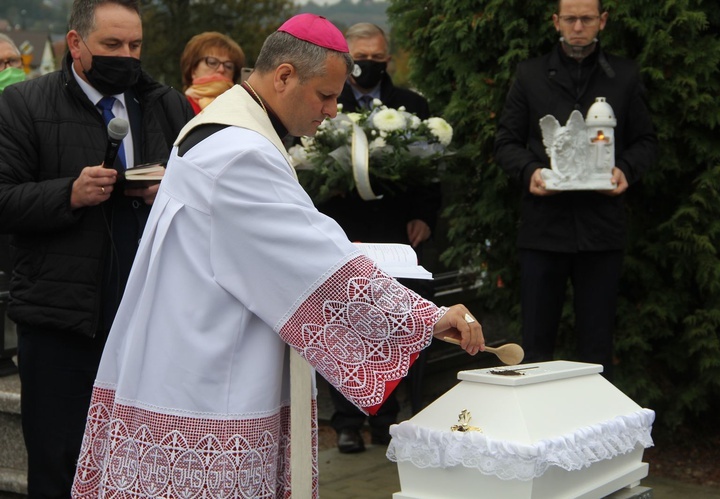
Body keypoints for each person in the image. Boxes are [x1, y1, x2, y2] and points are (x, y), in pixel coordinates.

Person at [70, 13, 484, 497]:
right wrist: (424, 320)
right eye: (325, 96)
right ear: (284, 75)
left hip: (182, 351)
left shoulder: (221, 124)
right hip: (210, 379)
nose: (333, 110)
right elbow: (309, 258)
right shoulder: (241, 153)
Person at [0, 0, 194, 494]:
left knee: (139, 462)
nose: (126, 57)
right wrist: (69, 192)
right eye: (112, 45)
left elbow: (204, 195)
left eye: (135, 46)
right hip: (62, 320)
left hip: (149, 316)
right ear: (75, 44)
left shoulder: (165, 104)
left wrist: (174, 189)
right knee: (60, 461)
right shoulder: (23, 105)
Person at [494, 0, 657, 380]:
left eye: (587, 19)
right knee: (535, 344)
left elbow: (646, 140)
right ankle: (535, 434)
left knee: (597, 345)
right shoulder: (530, 74)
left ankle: (595, 435)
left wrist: (625, 170)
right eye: (571, 18)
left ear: (602, 21)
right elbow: (506, 141)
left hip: (602, 229)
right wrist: (531, 171)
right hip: (543, 230)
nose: (579, 26)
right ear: (556, 22)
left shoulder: (625, 75)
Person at [317, 21, 442, 454]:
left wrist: (425, 217)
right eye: (360, 57)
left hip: (397, 234)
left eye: (376, 57)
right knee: (344, 328)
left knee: (395, 324)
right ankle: (347, 421)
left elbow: (431, 171)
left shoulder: (412, 105)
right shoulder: (328, 103)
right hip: (342, 231)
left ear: (387, 59)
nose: (367, 64)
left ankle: (387, 418)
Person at [180, 31, 246, 114]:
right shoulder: (177, 109)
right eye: (212, 62)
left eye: (229, 66)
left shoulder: (242, 112)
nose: (221, 69)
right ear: (193, 71)